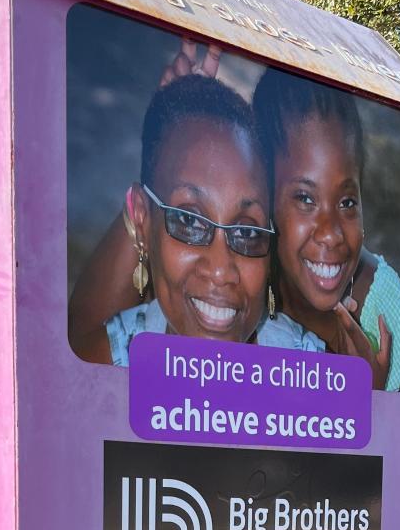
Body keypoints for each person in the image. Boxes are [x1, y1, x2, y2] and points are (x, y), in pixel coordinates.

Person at [68, 68, 324, 365]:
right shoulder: (112, 363)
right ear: (141, 219)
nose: (220, 270)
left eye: (247, 232)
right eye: (189, 221)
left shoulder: (310, 375)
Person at [252, 67, 400, 391]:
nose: (331, 233)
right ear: (262, 195)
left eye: (347, 202)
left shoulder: (384, 314)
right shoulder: (240, 262)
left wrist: (371, 399)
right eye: (305, 198)